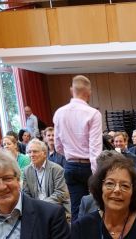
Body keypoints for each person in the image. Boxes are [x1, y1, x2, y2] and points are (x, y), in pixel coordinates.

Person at [53, 75, 103, 223]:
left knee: (76, 209)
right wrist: (97, 174)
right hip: (89, 166)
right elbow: (95, 148)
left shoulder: (59, 113)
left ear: (71, 90)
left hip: (70, 165)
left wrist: (71, 155)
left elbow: (58, 146)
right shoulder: (93, 113)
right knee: (96, 206)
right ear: (89, 93)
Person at [22, 139, 71, 216]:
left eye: (35, 151)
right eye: (29, 152)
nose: (31, 155)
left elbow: (60, 193)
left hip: (54, 208)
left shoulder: (56, 169)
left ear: (44, 154)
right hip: (35, 210)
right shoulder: (26, 171)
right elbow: (25, 193)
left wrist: (41, 205)